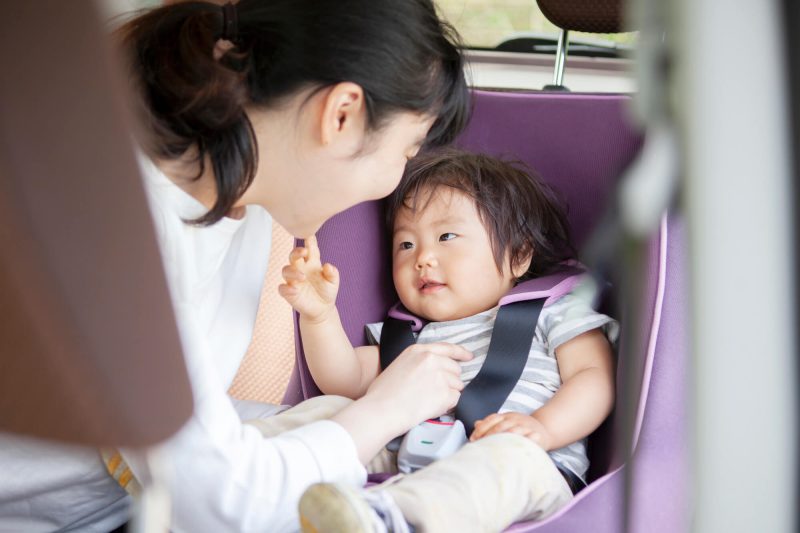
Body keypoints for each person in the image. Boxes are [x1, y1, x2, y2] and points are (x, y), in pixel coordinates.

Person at [0, 1, 470, 532]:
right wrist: (386, 409)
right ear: (341, 115)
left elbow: (195, 437)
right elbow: (220, 503)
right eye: (406, 152)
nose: (392, 183)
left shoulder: (243, 206)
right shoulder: (111, 226)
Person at [278, 148, 617, 532]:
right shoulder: (408, 336)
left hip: (526, 467)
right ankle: (257, 458)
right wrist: (320, 316)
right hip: (404, 461)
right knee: (332, 409)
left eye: (446, 236)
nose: (423, 258)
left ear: (519, 255)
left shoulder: (554, 312)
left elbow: (594, 377)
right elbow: (345, 378)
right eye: (406, 244)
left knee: (505, 460)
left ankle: (394, 520)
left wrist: (544, 428)